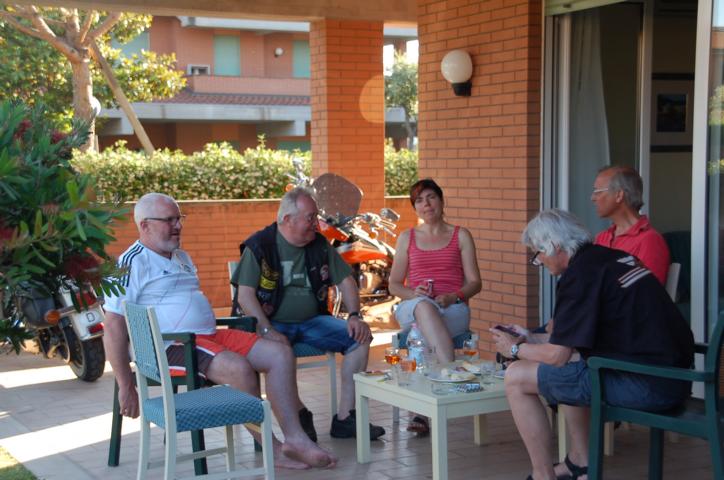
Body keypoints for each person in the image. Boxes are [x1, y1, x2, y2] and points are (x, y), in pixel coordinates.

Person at [103, 193, 337, 470]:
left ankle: (296, 438)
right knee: (238, 369)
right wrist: (125, 385)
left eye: (179, 218)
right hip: (170, 346)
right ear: (145, 225)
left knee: (280, 353)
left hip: (207, 336)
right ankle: (272, 448)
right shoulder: (129, 264)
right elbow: (113, 326)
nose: (178, 226)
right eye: (169, 220)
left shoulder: (181, 256)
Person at [491, 209, 694, 480]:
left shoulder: (580, 276)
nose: (538, 261)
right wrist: (529, 337)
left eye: (537, 254)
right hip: (675, 378)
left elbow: (557, 356)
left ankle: (542, 475)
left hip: (646, 385)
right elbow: (572, 342)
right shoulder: (611, 259)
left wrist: (514, 350)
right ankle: (581, 462)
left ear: (554, 246)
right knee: (574, 368)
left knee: (516, 377)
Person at [232, 186, 385, 441]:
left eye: (316, 216)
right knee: (278, 352)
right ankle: (299, 414)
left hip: (313, 321)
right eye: (311, 217)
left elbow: (346, 281)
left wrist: (355, 316)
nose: (317, 223)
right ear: (287, 219)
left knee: (360, 338)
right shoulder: (260, 245)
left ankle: (346, 418)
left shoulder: (319, 244)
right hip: (272, 323)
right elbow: (245, 296)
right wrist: (267, 329)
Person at [388, 178, 482, 433]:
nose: (426, 204)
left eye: (431, 197)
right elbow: (394, 285)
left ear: (441, 201)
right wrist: (413, 293)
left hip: (453, 308)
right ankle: (450, 376)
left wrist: (454, 296)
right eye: (419, 200)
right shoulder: (406, 238)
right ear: (415, 207)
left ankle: (420, 412)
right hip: (414, 305)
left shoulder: (460, 235)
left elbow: (475, 283)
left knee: (420, 333)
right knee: (423, 308)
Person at [591, 166, 670, 284]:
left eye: (598, 192)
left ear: (619, 195)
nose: (593, 198)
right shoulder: (602, 238)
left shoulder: (649, 240)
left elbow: (650, 291)